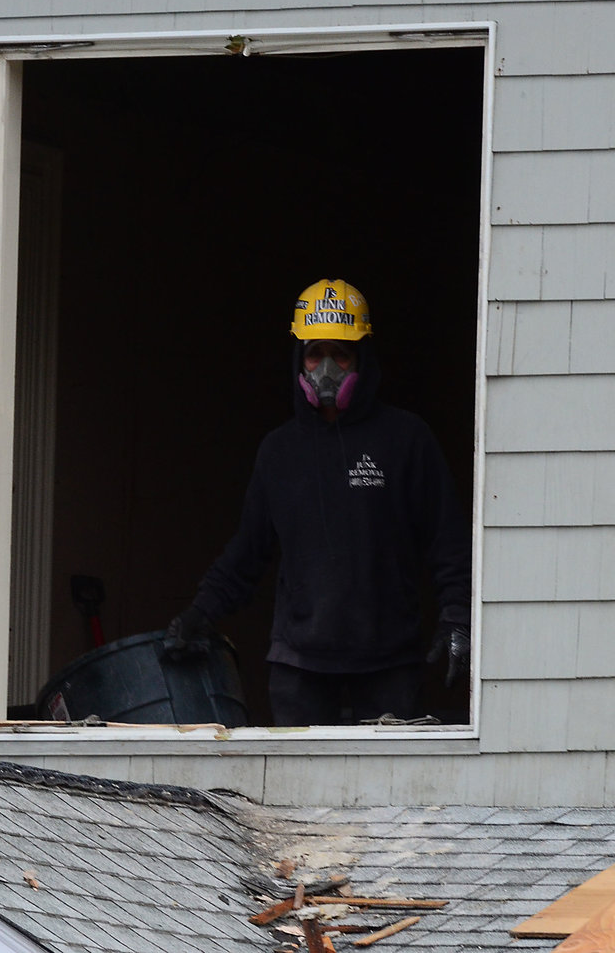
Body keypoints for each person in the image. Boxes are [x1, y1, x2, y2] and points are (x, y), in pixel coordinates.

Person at [162, 280, 472, 726]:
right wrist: (199, 614)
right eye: (315, 354)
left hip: (388, 662)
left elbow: (448, 542)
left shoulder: (406, 440)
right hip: (300, 667)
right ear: (298, 360)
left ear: (362, 359)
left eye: (340, 355)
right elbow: (248, 552)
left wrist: (456, 616)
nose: (327, 368)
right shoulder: (279, 451)